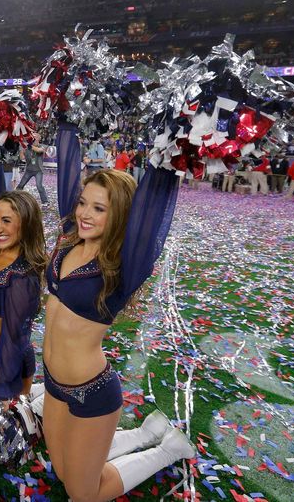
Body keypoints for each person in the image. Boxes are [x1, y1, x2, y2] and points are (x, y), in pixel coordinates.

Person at [43, 122, 194, 501]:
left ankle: (167, 450)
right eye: (83, 203)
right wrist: (66, 117)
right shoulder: (69, 240)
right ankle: (144, 433)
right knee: (62, 471)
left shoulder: (123, 266)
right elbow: (67, 163)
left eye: (99, 208)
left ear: (123, 215)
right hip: (52, 382)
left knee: (84, 493)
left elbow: (155, 207)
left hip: (90, 392)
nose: (84, 214)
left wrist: (171, 140)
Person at [0, 190, 45, 399]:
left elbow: (14, 339)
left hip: (5, 366)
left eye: (6, 221)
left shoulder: (22, 275)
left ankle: (36, 401)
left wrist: (2, 389)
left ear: (26, 223)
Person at [16, 134, 49, 205]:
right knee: (21, 185)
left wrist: (28, 145)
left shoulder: (42, 146)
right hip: (29, 170)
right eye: (34, 137)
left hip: (38, 171)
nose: (35, 139)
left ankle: (45, 201)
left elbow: (39, 150)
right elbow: (22, 158)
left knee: (39, 186)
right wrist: (22, 150)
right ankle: (15, 198)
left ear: (39, 139)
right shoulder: (26, 147)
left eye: (36, 137)